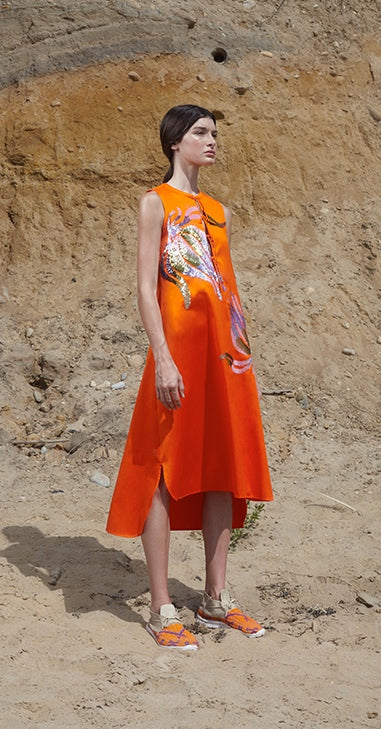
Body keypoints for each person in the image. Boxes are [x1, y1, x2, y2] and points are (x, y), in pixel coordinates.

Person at [106, 104, 273, 651]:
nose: (212, 141)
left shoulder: (220, 210)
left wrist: (242, 351)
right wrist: (163, 356)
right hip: (176, 354)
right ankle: (160, 607)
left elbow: (226, 286)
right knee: (162, 468)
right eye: (201, 132)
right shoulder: (155, 203)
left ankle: (216, 598)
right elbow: (146, 287)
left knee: (222, 467)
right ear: (175, 140)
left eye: (215, 133)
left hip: (224, 358)